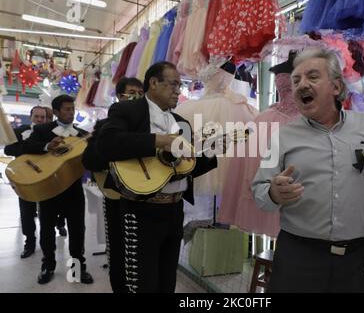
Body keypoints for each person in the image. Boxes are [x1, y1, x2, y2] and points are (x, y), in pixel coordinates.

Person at [252, 47, 364, 293]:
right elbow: (258, 189)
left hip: (357, 259)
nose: (301, 85)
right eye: (296, 80)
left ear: (337, 87)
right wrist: (274, 194)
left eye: (313, 77)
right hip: (298, 256)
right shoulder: (282, 137)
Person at [96, 62, 217, 293]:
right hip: (141, 211)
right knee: (141, 283)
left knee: (167, 282)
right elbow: (107, 145)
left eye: (180, 86)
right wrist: (159, 140)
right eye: (173, 84)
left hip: (174, 211)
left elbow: (182, 169)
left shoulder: (182, 123)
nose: (178, 91)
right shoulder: (129, 111)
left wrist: (213, 152)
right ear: (153, 83)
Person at [21, 95, 93, 285]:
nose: (71, 112)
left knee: (78, 231)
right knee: (46, 231)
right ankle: (48, 266)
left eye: (73, 109)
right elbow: (25, 147)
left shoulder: (82, 134)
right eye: (67, 109)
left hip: (73, 190)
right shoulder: (42, 130)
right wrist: (46, 146)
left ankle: (78, 269)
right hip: (48, 189)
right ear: (55, 112)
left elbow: (91, 159)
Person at [81, 76, 144, 293]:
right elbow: (89, 161)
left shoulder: (150, 125)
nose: (136, 97)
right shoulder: (104, 126)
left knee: (142, 253)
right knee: (118, 251)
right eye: (131, 93)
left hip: (144, 198)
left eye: (140, 93)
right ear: (119, 96)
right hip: (116, 197)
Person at [4, 106, 46, 258]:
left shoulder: (49, 133)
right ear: (31, 117)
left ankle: (54, 232)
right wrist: (27, 148)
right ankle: (29, 242)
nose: (40, 120)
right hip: (24, 176)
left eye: (43, 117)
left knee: (49, 208)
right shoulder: (20, 131)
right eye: (37, 117)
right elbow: (8, 150)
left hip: (45, 175)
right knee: (26, 210)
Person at [43, 106, 67, 237]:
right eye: (39, 117)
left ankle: (61, 224)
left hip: (64, 177)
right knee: (46, 213)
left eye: (47, 117)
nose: (43, 120)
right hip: (44, 177)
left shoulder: (72, 130)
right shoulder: (41, 131)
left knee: (64, 205)